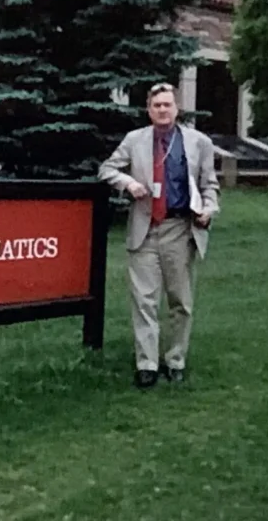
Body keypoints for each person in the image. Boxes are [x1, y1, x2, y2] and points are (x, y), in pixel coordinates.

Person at [98, 82, 220, 388]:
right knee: (144, 300)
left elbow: (210, 185)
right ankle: (147, 364)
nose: (162, 110)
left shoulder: (198, 142)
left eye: (167, 105)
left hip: (179, 228)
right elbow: (107, 168)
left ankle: (175, 359)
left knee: (181, 301)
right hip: (144, 228)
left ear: (176, 108)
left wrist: (208, 209)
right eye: (157, 106)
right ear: (149, 110)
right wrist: (127, 183)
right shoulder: (135, 139)